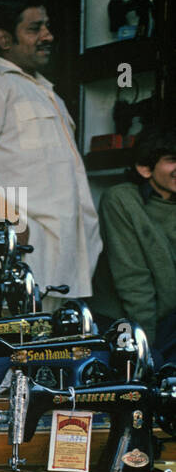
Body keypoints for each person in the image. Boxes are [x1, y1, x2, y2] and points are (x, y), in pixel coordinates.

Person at [0, 0, 101, 298]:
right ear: (4, 39)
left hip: (65, 259)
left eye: (47, 27)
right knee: (14, 341)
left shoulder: (48, 92)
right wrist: (11, 222)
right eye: (34, 29)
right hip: (21, 255)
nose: (47, 36)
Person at [88, 128, 176, 363]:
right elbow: (133, 280)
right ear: (145, 168)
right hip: (125, 323)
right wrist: (145, 352)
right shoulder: (122, 199)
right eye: (172, 160)